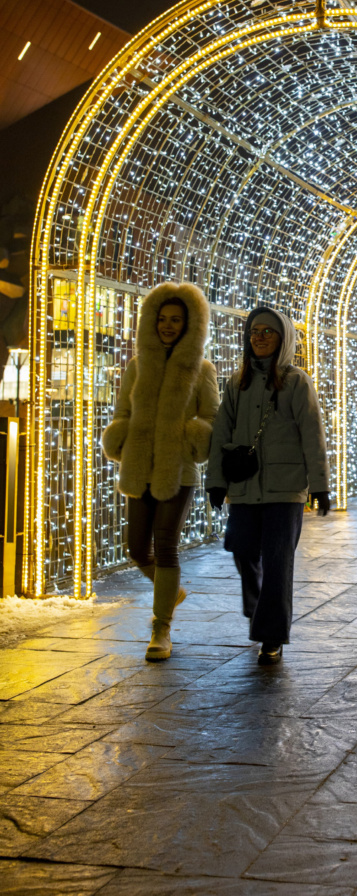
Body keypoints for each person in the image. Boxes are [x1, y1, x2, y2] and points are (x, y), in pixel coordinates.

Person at [206, 307, 330, 665]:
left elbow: (312, 437)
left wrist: (319, 486)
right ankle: (261, 607)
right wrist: (216, 481)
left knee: (277, 563)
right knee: (241, 549)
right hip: (245, 487)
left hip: (285, 489)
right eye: (254, 331)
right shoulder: (236, 383)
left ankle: (271, 635)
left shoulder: (297, 382)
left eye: (268, 332)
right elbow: (220, 436)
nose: (259, 337)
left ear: (283, 339)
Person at [102, 282, 219, 661]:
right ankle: (171, 591)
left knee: (165, 543)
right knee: (137, 548)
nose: (168, 325)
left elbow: (212, 418)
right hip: (140, 466)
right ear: (151, 321)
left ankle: (161, 628)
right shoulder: (137, 367)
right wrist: (120, 435)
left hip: (179, 469)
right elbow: (122, 412)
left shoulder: (202, 369)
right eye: (162, 319)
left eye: (176, 320)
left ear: (190, 324)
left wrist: (190, 436)